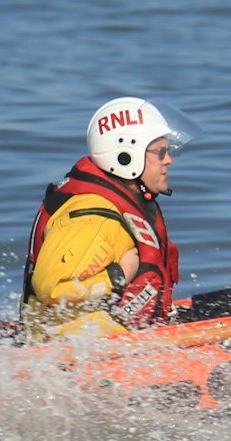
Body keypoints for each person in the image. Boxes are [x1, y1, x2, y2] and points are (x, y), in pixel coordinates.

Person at [23, 95, 203, 334]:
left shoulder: (123, 203)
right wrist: (117, 276)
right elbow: (50, 288)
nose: (168, 160)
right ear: (126, 156)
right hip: (74, 354)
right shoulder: (92, 217)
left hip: (124, 338)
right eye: (160, 152)